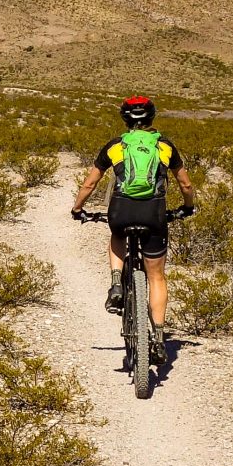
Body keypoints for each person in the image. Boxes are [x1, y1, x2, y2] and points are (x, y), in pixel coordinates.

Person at [71, 96, 197, 350]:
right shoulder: (165, 147)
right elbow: (186, 184)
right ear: (152, 117)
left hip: (122, 209)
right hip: (154, 212)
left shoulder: (115, 146)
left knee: (117, 234)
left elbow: (90, 183)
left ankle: (116, 282)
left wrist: (78, 208)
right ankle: (159, 339)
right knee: (157, 277)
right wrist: (187, 207)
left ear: (125, 119)